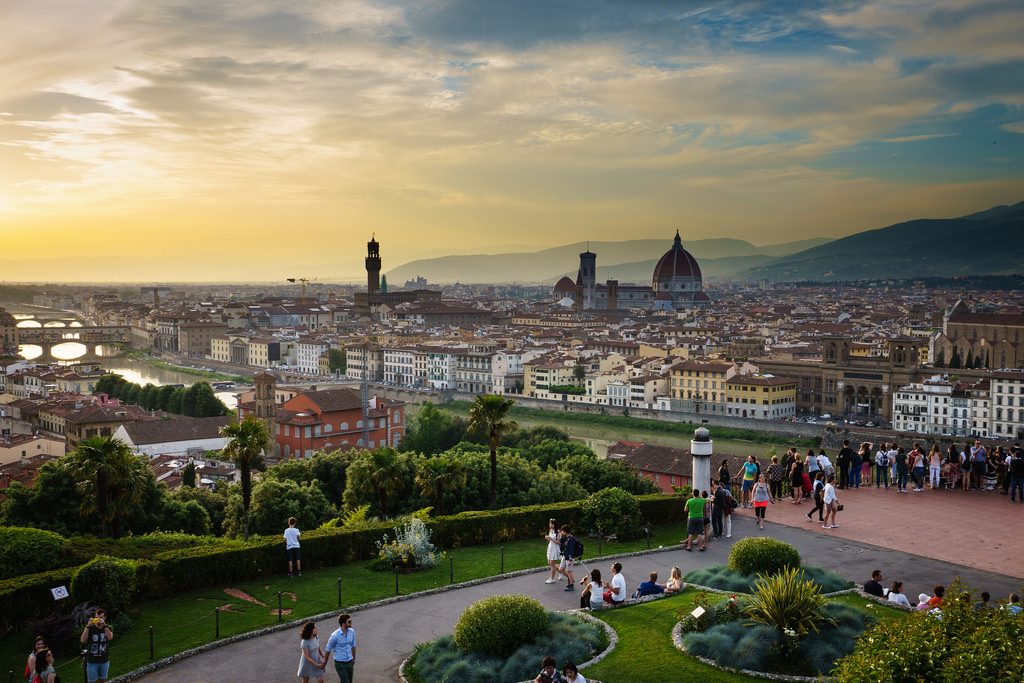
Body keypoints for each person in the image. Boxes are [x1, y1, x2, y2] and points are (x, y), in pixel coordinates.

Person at [81, 608, 113, 683]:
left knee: (102, 680)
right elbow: (82, 640)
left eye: (101, 617)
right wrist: (87, 626)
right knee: (91, 681)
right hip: (92, 661)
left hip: (104, 660)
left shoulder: (108, 627)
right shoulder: (90, 628)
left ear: (105, 618)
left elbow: (110, 637)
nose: (98, 619)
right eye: (96, 617)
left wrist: (104, 625)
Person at [324, 614, 356, 683]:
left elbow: (353, 646)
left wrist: (353, 658)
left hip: (350, 661)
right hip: (340, 663)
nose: (351, 623)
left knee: (350, 681)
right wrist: (324, 663)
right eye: (349, 622)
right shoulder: (335, 635)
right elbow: (328, 650)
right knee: (345, 681)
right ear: (343, 623)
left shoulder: (352, 632)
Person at [558, 525, 580, 591]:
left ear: (565, 531)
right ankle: (571, 580)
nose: (561, 532)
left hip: (569, 557)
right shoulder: (565, 537)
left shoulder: (571, 539)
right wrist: (560, 535)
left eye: (562, 531)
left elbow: (571, 549)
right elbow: (560, 542)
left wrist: (570, 559)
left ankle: (571, 586)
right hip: (565, 556)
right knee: (560, 569)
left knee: (569, 571)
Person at [544, 519, 562, 583]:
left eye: (552, 524)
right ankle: (561, 571)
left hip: (555, 548)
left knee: (552, 564)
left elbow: (559, 542)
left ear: (555, 524)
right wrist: (548, 538)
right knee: (550, 563)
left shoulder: (558, 532)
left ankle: (551, 578)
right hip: (550, 547)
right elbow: (550, 540)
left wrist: (551, 539)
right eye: (550, 524)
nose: (551, 525)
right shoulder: (550, 530)